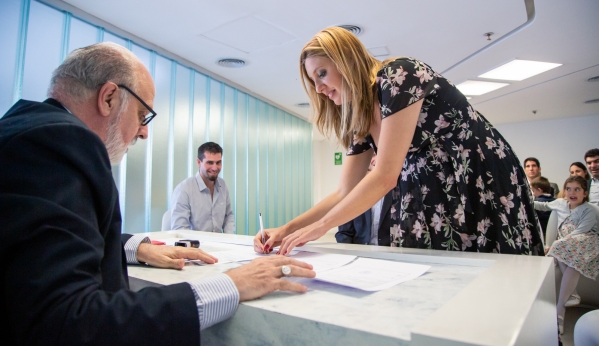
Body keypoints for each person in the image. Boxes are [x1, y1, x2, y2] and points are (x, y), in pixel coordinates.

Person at [0, 42, 315, 345]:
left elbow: (48, 243)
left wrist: (137, 247)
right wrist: (229, 285)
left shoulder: (23, 134)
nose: (144, 132)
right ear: (108, 98)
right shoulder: (58, 145)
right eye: (142, 115)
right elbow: (68, 323)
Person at [254, 26, 542, 256]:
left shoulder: (398, 76)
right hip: (432, 191)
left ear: (347, 61)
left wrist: (321, 227)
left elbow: (384, 176)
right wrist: (287, 228)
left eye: (322, 73)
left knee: (492, 266)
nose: (318, 89)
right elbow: (344, 190)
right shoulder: (362, 119)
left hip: (475, 180)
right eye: (312, 81)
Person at [534, 176, 599, 334]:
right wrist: (523, 198)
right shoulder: (560, 203)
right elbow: (542, 205)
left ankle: (559, 312)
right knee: (564, 253)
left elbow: (580, 232)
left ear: (585, 193)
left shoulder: (590, 209)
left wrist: (557, 244)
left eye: (577, 189)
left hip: (587, 241)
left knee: (562, 250)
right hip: (567, 244)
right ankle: (572, 295)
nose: (572, 192)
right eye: (568, 188)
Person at [170, 142, 234, 233]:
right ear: (199, 162)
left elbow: (228, 216)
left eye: (218, 162)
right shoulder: (184, 189)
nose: (215, 168)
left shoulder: (222, 185)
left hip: (220, 244)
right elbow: (180, 229)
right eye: (210, 163)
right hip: (195, 245)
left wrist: (229, 239)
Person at [335, 155, 394, 245]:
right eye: (372, 155)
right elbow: (344, 233)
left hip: (390, 253)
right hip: (360, 252)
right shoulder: (353, 192)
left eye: (378, 154)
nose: (374, 159)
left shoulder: (399, 190)